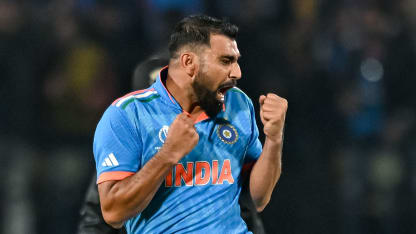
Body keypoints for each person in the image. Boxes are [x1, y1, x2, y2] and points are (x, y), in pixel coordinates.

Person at [93, 15, 287, 233]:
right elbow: (113, 213)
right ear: (189, 63)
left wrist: (274, 139)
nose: (237, 72)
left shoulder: (238, 103)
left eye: (236, 60)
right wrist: (167, 156)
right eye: (225, 61)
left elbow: (257, 199)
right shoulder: (128, 115)